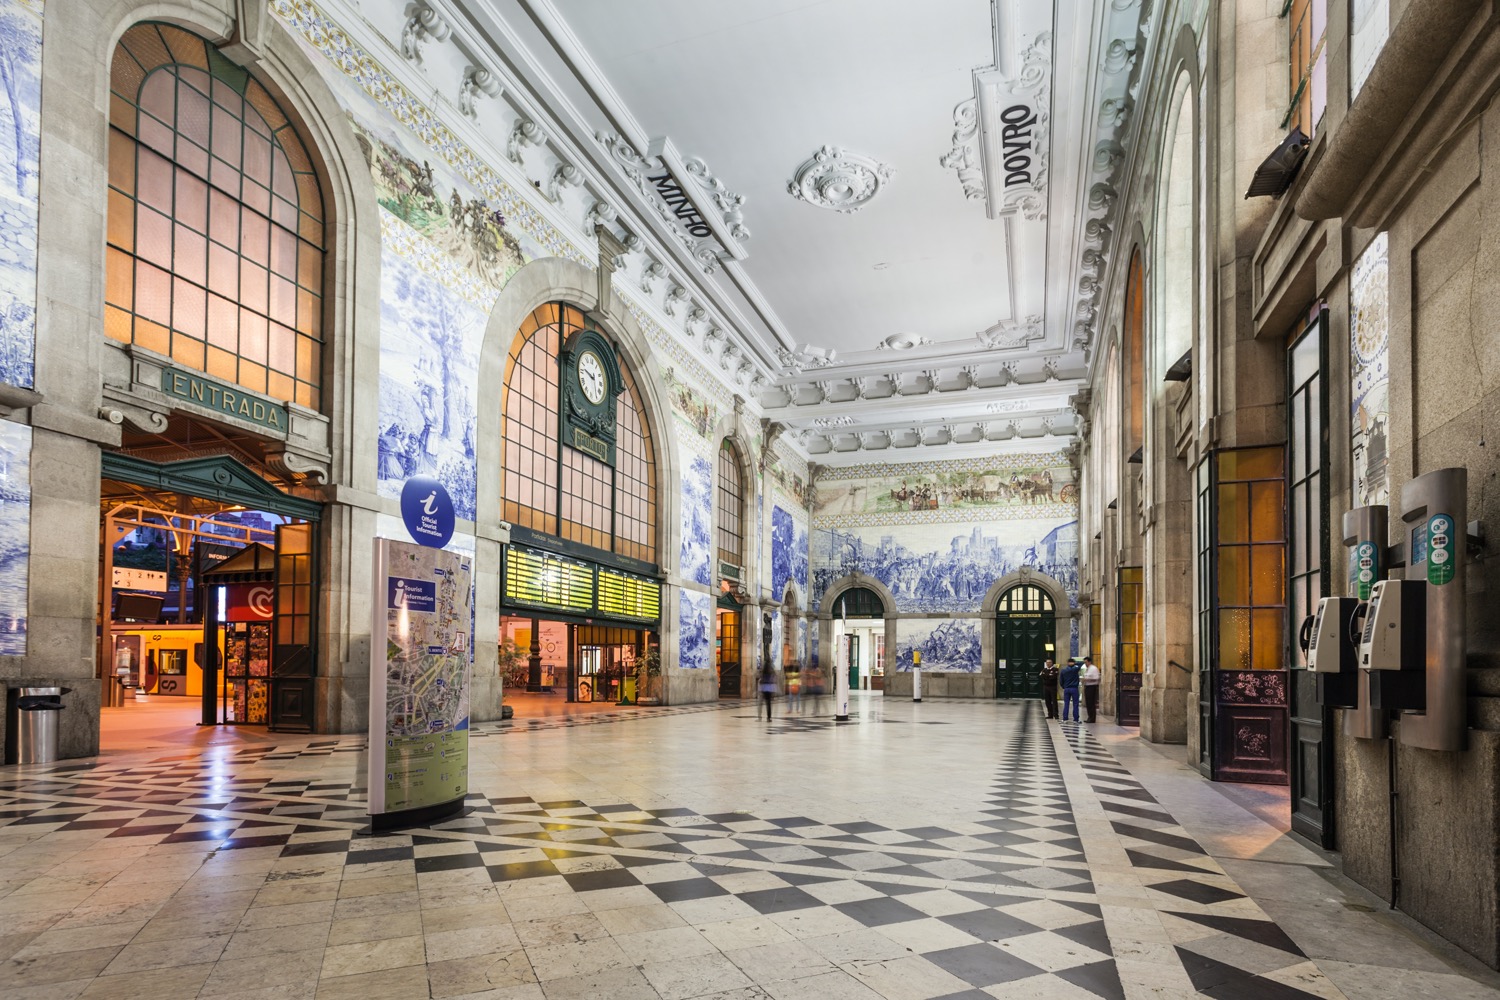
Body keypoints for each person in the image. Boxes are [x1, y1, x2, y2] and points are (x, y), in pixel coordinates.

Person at [1059, 658, 1081, 723]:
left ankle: (1065, 718)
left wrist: (1064, 686)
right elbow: (1081, 664)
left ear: (1067, 663)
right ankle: (1076, 719)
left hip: (1066, 688)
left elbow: (1061, 680)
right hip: (1074, 688)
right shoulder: (1075, 669)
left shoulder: (1063, 670)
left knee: (1066, 703)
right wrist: (1075, 663)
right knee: (1075, 704)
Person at [1082, 655, 1101, 722]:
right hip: (1087, 687)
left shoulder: (1093, 668)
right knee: (1088, 703)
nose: (1085, 664)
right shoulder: (1088, 669)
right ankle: (1089, 717)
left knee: (1091, 703)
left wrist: (1087, 679)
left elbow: (1097, 678)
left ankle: (1092, 718)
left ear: (1089, 662)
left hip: (1092, 687)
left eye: (1086, 662)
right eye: (1084, 662)